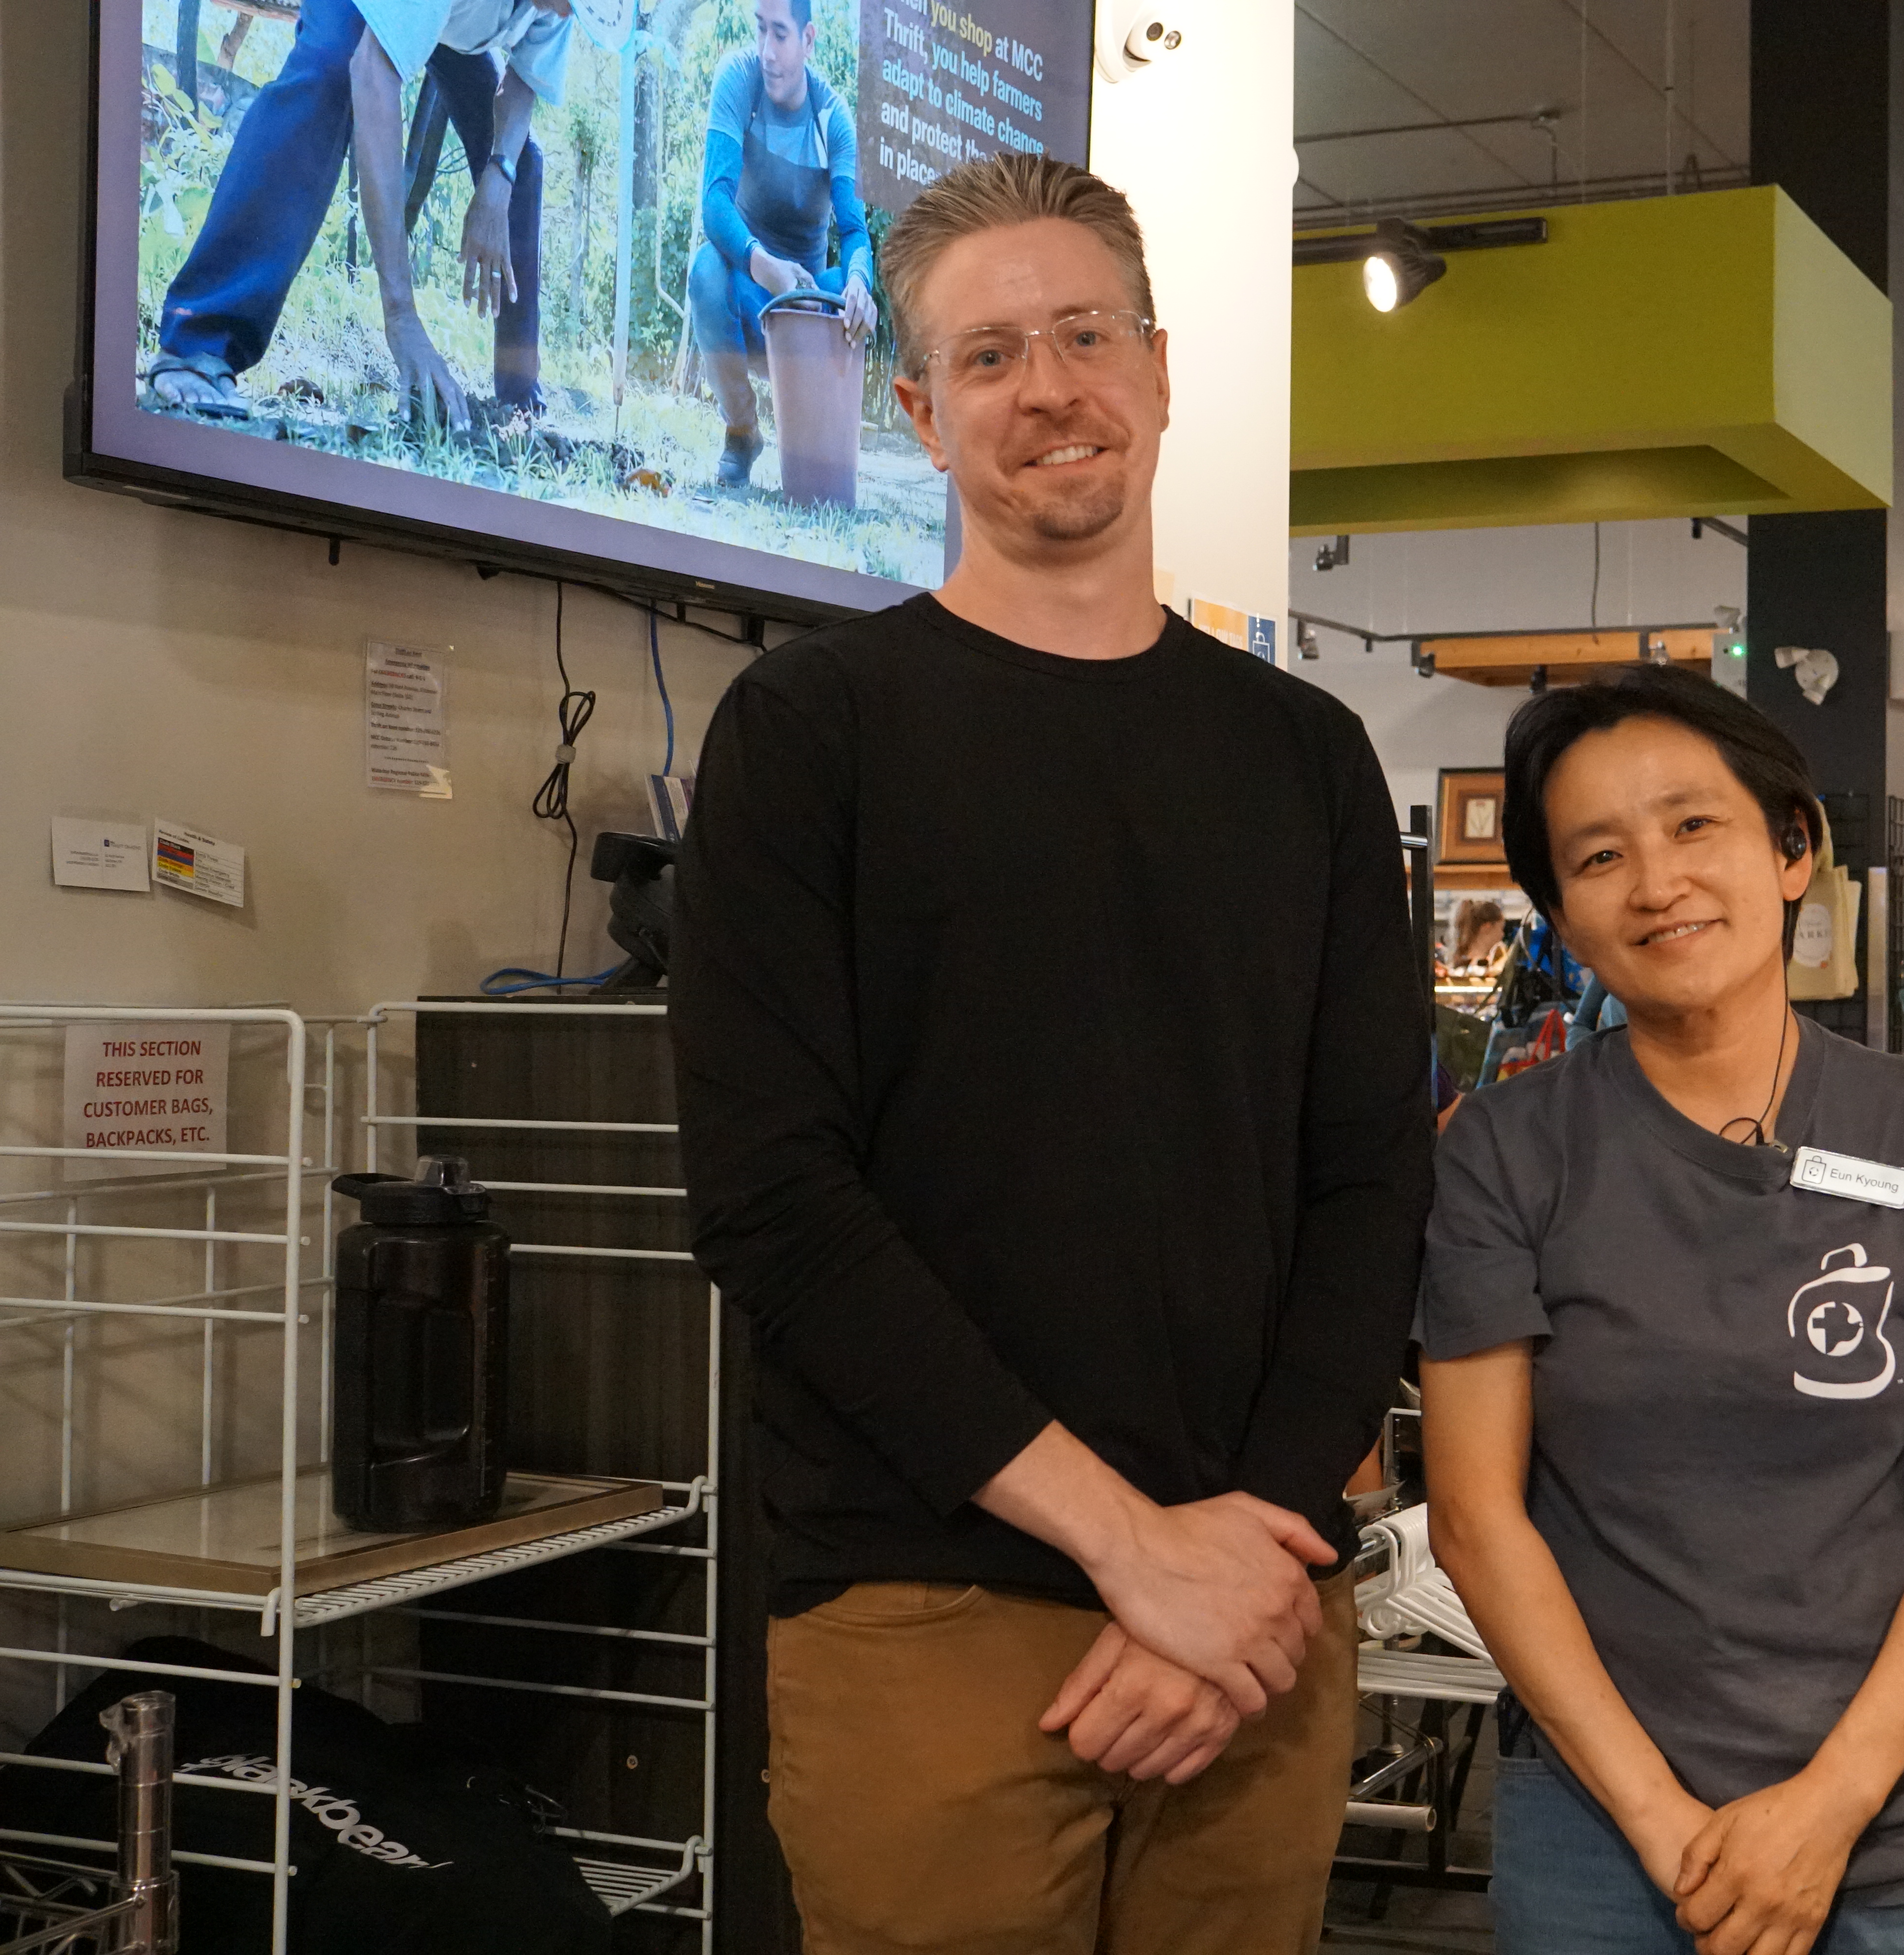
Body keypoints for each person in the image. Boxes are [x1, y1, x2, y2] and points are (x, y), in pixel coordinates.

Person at [669, 153, 1432, 1955]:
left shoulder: (1306, 758)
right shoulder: (808, 734)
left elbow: (1371, 1173)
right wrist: (1130, 1546)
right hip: (931, 1602)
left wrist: (1244, 1544)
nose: (1051, 390)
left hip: (1258, 1608)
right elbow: (775, 1201)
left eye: (1085, 334)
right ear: (922, 414)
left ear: (1160, 371)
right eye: (992, 355)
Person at [1420, 667, 1904, 1955]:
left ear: (1792, 850)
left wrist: (1823, 1813)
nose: (1659, 882)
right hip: (1598, 1826)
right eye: (1599, 856)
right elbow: (1474, 1517)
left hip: (1892, 1818)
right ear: (1564, 919)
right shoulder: (1506, 1154)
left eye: (1696, 826)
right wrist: (1661, 1823)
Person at [148, 0, 579, 430]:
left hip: (444, 17)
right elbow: (372, 75)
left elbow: (525, 77)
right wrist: (401, 316)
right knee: (331, 71)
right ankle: (198, 346)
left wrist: (499, 179)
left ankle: (519, 404)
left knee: (519, 163)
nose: (565, 15)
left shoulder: (569, 7)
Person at [692, 0, 878, 488]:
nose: (767, 51)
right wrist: (762, 264)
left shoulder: (833, 118)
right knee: (705, 271)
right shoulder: (739, 79)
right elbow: (715, 202)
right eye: (760, 32)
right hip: (748, 289)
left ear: (809, 40)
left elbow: (855, 234)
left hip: (807, 312)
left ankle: (817, 446)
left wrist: (860, 281)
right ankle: (742, 432)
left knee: (850, 291)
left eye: (780, 35)